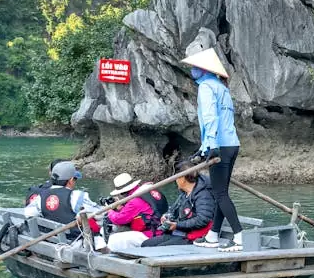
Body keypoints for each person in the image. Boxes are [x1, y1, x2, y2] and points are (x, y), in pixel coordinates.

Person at [180, 45, 244, 252]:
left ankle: (239, 237)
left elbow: (211, 118)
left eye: (195, 67)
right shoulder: (222, 88)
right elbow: (225, 120)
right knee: (221, 193)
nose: (192, 70)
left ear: (203, 69)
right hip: (232, 144)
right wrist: (203, 148)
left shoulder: (207, 87)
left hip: (220, 145)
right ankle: (213, 235)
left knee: (220, 194)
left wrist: (212, 145)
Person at [24, 161, 102, 247]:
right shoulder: (77, 196)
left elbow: (28, 214)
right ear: (71, 180)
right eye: (75, 179)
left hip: (51, 241)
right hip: (74, 243)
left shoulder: (41, 196)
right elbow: (99, 214)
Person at [141, 159, 214, 247]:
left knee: (157, 248)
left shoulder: (203, 195)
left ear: (182, 179)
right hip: (179, 233)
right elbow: (173, 209)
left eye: (176, 177)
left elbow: (203, 219)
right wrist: (167, 216)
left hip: (193, 236)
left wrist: (177, 225)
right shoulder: (184, 193)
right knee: (146, 244)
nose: (175, 180)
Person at [103, 172, 170, 252]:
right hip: (161, 228)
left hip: (151, 234)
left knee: (113, 239)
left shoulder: (135, 201)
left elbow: (118, 219)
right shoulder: (149, 191)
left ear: (123, 192)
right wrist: (122, 207)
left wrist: (110, 211)